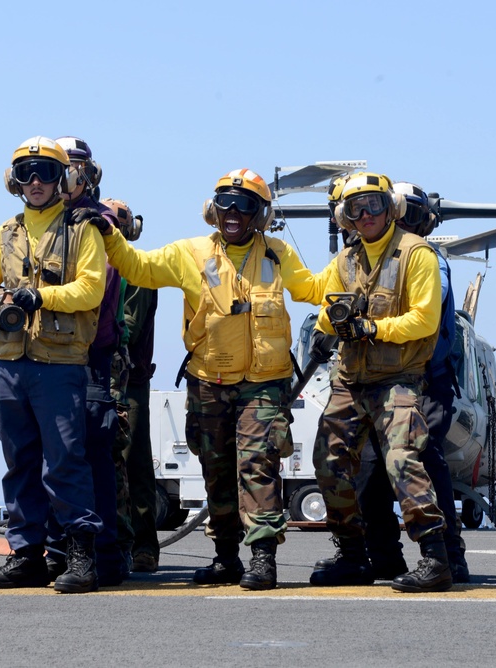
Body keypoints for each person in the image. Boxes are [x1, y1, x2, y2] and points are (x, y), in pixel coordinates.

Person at [82, 168, 325, 590]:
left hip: (265, 382)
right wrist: (108, 235)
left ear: (260, 214)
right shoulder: (189, 253)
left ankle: (262, 557)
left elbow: (313, 288)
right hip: (208, 381)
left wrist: (350, 276)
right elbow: (137, 267)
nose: (233, 211)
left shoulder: (278, 254)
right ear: (212, 210)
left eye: (245, 204)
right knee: (215, 469)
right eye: (225, 202)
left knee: (257, 464)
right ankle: (226, 557)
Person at [0, 136, 105, 593]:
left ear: (63, 178)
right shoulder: (2, 234)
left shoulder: (82, 230)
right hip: (8, 364)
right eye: (26, 173)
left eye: (46, 172)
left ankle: (79, 556)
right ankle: (26, 555)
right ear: (14, 180)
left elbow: (91, 290)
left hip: (59, 363)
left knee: (65, 460)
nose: (35, 182)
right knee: (19, 462)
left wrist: (38, 296)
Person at [309, 172, 452, 593]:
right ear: (346, 216)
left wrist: (371, 328)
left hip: (399, 379)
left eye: (373, 204)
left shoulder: (417, 254)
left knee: (401, 459)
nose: (366, 214)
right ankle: (353, 556)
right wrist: (335, 321)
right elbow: (323, 313)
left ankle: (436, 558)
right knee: (328, 461)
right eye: (356, 208)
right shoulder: (345, 262)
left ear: (391, 208)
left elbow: (424, 319)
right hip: (350, 380)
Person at [346, 181, 470, 583]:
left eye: (416, 217)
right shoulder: (366, 260)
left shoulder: (428, 260)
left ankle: (449, 556)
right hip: (380, 381)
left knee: (420, 459)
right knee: (367, 466)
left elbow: (424, 312)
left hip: (426, 381)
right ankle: (382, 556)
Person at [38, 136, 125, 587]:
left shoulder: (96, 224)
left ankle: (104, 554)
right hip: (51, 359)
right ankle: (57, 551)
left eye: (71, 169)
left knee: (88, 457)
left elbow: (97, 297)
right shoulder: (48, 224)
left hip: (89, 358)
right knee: (56, 457)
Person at [101, 197, 161, 573]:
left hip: (129, 382)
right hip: (97, 377)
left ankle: (144, 546)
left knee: (133, 461)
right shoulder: (93, 267)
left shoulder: (137, 271)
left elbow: (126, 326)